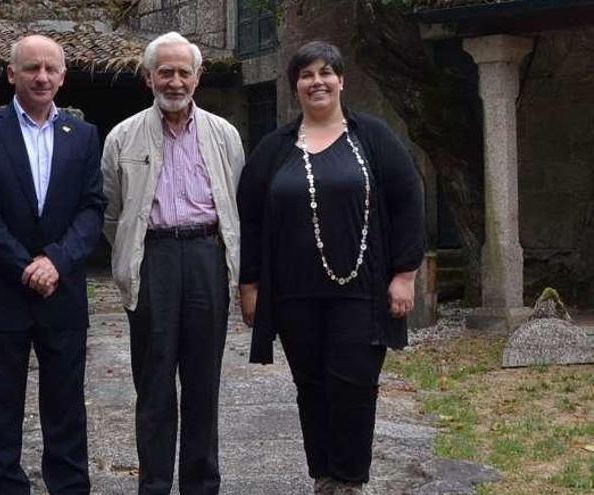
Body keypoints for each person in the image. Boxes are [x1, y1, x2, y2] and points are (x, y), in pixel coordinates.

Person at [237, 41, 425, 495]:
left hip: (361, 290)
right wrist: (250, 284)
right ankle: (324, 476)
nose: (317, 81)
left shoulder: (373, 138)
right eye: (306, 75)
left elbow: (408, 200)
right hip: (294, 292)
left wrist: (405, 274)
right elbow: (252, 218)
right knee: (311, 385)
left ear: (341, 80)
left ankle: (351, 479)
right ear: (295, 86)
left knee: (354, 384)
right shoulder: (274, 149)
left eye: (326, 72)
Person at [102, 31, 245, 495]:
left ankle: (202, 486)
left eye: (184, 72)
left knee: (204, 384)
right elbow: (112, 214)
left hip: (207, 258)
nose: (175, 81)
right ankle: (155, 485)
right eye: (165, 71)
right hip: (154, 260)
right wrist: (135, 254)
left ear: (199, 77)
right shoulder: (122, 136)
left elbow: (235, 199)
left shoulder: (225, 135)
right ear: (148, 78)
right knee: (155, 383)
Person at [0, 34, 105, 495]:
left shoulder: (83, 135)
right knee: (0, 401)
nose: (41, 77)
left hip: (62, 292)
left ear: (63, 77)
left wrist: (55, 262)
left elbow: (91, 208)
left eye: (50, 69)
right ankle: (3, 485)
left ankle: (68, 485)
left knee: (66, 402)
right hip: (5, 288)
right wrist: (27, 266)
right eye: (31, 68)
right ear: (11, 73)